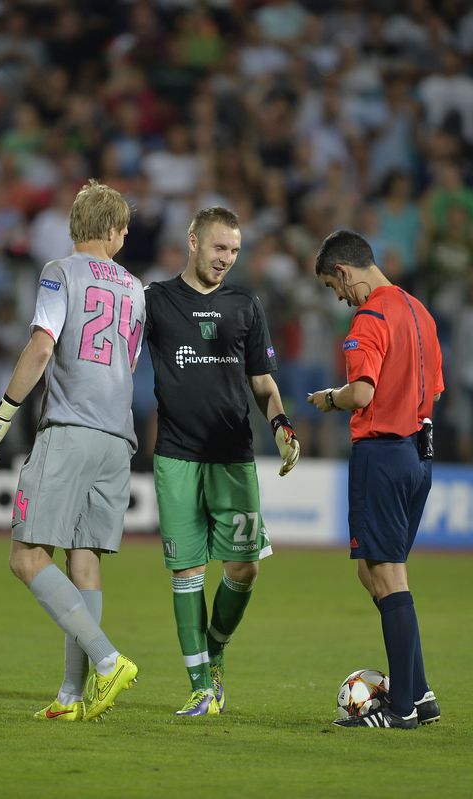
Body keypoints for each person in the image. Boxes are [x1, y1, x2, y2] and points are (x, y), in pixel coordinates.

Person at [0, 180, 145, 722]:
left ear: (75, 226)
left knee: (26, 557)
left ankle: (108, 659)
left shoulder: (59, 272)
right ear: (115, 232)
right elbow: (130, 364)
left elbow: (43, 345)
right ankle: (72, 695)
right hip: (119, 438)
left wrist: (1, 416)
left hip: (69, 428)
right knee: (84, 558)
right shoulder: (137, 288)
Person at [142, 206, 300, 717]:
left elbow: (262, 382)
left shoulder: (245, 305)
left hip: (233, 454)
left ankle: (216, 651)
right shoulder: (156, 302)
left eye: (233, 251)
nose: (227, 259)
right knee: (186, 572)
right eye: (219, 248)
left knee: (245, 568)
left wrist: (281, 425)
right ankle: (200, 689)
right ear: (193, 242)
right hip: (177, 456)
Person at [307, 229, 443, 730]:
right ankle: (421, 693)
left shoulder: (369, 319)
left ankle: (402, 706)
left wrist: (329, 398)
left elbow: (361, 393)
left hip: (382, 455)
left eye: (332, 286)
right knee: (376, 573)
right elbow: (435, 389)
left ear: (344, 272)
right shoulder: (419, 311)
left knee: (385, 575)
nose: (339, 297)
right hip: (418, 453)